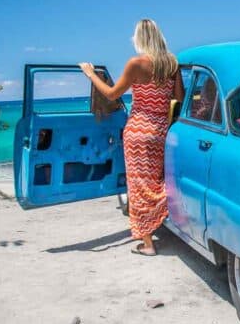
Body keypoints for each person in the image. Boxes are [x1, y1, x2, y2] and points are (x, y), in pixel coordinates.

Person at [79, 19, 184, 256]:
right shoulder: (172, 64)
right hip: (160, 130)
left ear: (140, 38)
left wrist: (90, 74)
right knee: (157, 179)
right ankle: (167, 212)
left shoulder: (136, 63)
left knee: (138, 186)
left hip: (137, 131)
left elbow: (112, 94)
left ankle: (148, 244)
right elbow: (178, 96)